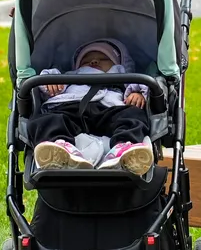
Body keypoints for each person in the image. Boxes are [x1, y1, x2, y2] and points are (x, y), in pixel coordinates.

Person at [30, 39, 155, 175]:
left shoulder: (124, 78)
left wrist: (137, 94)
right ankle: (59, 147)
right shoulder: (70, 76)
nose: (94, 62)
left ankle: (124, 147)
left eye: (103, 58)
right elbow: (47, 82)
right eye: (86, 60)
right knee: (49, 119)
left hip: (110, 110)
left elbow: (142, 86)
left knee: (133, 115)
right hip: (71, 108)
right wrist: (51, 83)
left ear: (119, 64)